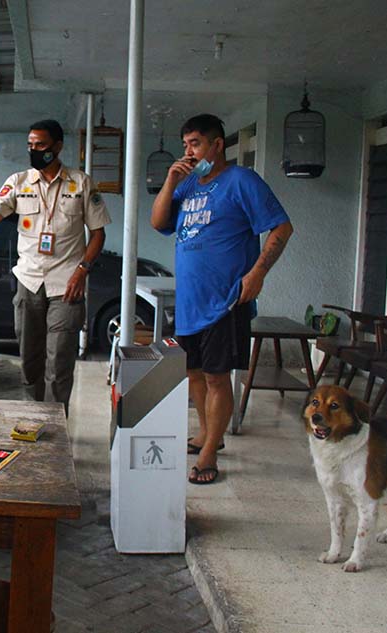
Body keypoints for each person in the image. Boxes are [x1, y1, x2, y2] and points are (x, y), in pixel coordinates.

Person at [151, 113, 293, 485]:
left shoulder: (241, 181)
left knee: (217, 378)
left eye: (195, 143)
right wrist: (171, 181)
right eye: (185, 145)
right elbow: (158, 223)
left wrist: (258, 272)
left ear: (217, 144)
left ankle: (211, 451)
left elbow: (281, 226)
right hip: (190, 302)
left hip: (226, 299)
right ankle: (205, 433)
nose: (189, 151)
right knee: (192, 371)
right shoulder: (190, 184)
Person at [0, 119, 110, 415]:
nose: (34, 150)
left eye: (40, 145)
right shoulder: (18, 182)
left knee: (59, 361)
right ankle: (33, 415)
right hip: (28, 281)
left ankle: (58, 425)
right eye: (30, 145)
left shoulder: (81, 183)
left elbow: (98, 233)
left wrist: (82, 270)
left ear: (57, 147)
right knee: (30, 359)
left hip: (66, 284)